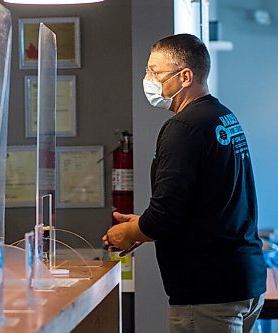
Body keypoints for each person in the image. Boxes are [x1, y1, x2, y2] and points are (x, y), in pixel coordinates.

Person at [103, 34, 266, 333]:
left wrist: (128, 232)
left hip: (208, 292)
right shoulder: (222, 117)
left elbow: (164, 217)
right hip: (243, 280)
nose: (148, 79)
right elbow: (205, 202)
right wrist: (143, 225)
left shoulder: (183, 128)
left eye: (155, 72)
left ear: (185, 76)